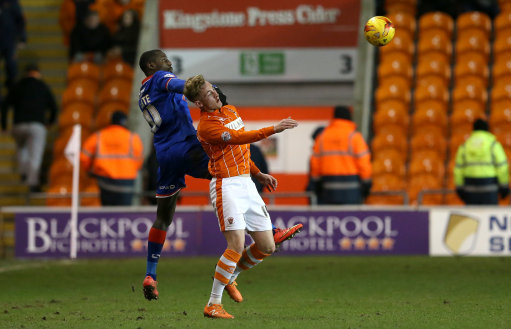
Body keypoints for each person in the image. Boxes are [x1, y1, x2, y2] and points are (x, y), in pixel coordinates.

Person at [137, 49, 302, 301]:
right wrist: (198, 88)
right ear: (151, 65)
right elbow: (183, 86)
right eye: (163, 59)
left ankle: (151, 274)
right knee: (231, 171)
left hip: (165, 155)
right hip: (187, 147)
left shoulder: (143, 94)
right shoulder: (160, 78)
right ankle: (266, 229)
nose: (168, 62)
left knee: (163, 218)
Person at [183, 74, 298, 319]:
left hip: (246, 182)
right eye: (207, 93)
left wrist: (258, 173)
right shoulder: (206, 127)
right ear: (199, 103)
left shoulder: (231, 111)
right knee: (236, 244)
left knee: (267, 246)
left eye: (212, 88)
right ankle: (213, 303)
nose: (214, 93)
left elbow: (241, 149)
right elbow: (238, 138)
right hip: (226, 186)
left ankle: (230, 276)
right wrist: (273, 129)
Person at [0, 63, 57, 192]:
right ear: (37, 72)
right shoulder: (42, 86)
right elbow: (54, 107)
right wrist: (50, 122)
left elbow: (5, 106)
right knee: (35, 154)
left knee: (22, 150)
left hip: (18, 125)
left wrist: (3, 125)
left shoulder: (18, 86)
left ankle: (24, 173)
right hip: (37, 124)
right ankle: (32, 182)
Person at [309, 106, 372, 205]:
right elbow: (364, 163)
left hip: (328, 190)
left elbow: (315, 164)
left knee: (331, 218)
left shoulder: (322, 137)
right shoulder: (354, 137)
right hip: (352, 191)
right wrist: (367, 184)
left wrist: (315, 184)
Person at [80, 111, 143, 205]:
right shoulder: (133, 138)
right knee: (123, 214)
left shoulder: (98, 136)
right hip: (126, 184)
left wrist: (90, 171)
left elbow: (83, 157)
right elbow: (139, 161)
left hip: (105, 183)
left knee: (107, 213)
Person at [454, 119, 509, 205]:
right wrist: (504, 186)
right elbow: (502, 167)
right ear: (487, 130)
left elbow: (458, 169)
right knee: (488, 215)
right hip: (490, 187)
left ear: (473, 129)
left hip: (470, 188)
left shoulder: (465, 146)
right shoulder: (493, 144)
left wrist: (459, 188)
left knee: (472, 217)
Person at [0, 0, 26, 89]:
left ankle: (11, 94)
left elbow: (20, 20)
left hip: (9, 42)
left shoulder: (11, 2)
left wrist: (22, 38)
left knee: (11, 69)